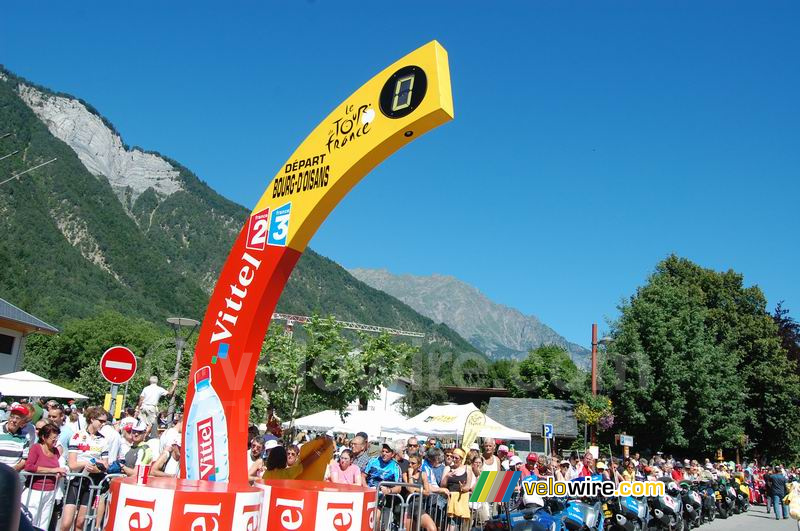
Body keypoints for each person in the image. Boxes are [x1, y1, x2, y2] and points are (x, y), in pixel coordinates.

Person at [62, 406, 109, 531]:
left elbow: (105, 465)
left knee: (80, 522)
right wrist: (86, 463)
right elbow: (72, 464)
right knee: (66, 523)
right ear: (92, 419)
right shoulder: (77, 436)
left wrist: (96, 469)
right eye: (101, 421)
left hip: (91, 481)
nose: (103, 424)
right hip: (76, 480)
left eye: (105, 421)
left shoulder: (103, 439)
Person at [22, 422, 67, 530]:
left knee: (44, 522)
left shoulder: (56, 451)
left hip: (51, 490)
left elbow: (58, 466)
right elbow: (29, 467)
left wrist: (59, 472)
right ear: (43, 437)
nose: (55, 441)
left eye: (57, 438)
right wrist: (52, 470)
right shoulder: (36, 448)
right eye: (53, 438)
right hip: (35, 491)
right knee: (31, 519)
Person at [441, 448, 474, 531]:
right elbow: (442, 485)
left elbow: (468, 486)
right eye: (453, 457)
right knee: (449, 525)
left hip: (461, 502)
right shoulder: (448, 468)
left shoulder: (468, 468)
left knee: (457, 526)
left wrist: (463, 488)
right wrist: (447, 476)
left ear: (462, 459)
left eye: (457, 458)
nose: (454, 460)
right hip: (448, 501)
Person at [404, 454, 438, 531]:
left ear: (419, 465)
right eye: (409, 463)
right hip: (408, 507)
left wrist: (417, 489)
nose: (410, 465)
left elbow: (427, 492)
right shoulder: (405, 474)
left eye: (413, 463)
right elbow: (410, 489)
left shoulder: (423, 474)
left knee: (432, 528)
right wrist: (410, 475)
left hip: (418, 507)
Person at [0, 404, 30, 471]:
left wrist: (12, 470)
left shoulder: (25, 436)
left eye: (17, 418)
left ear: (23, 421)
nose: (13, 420)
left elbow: (24, 459)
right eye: (12, 416)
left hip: (12, 476)